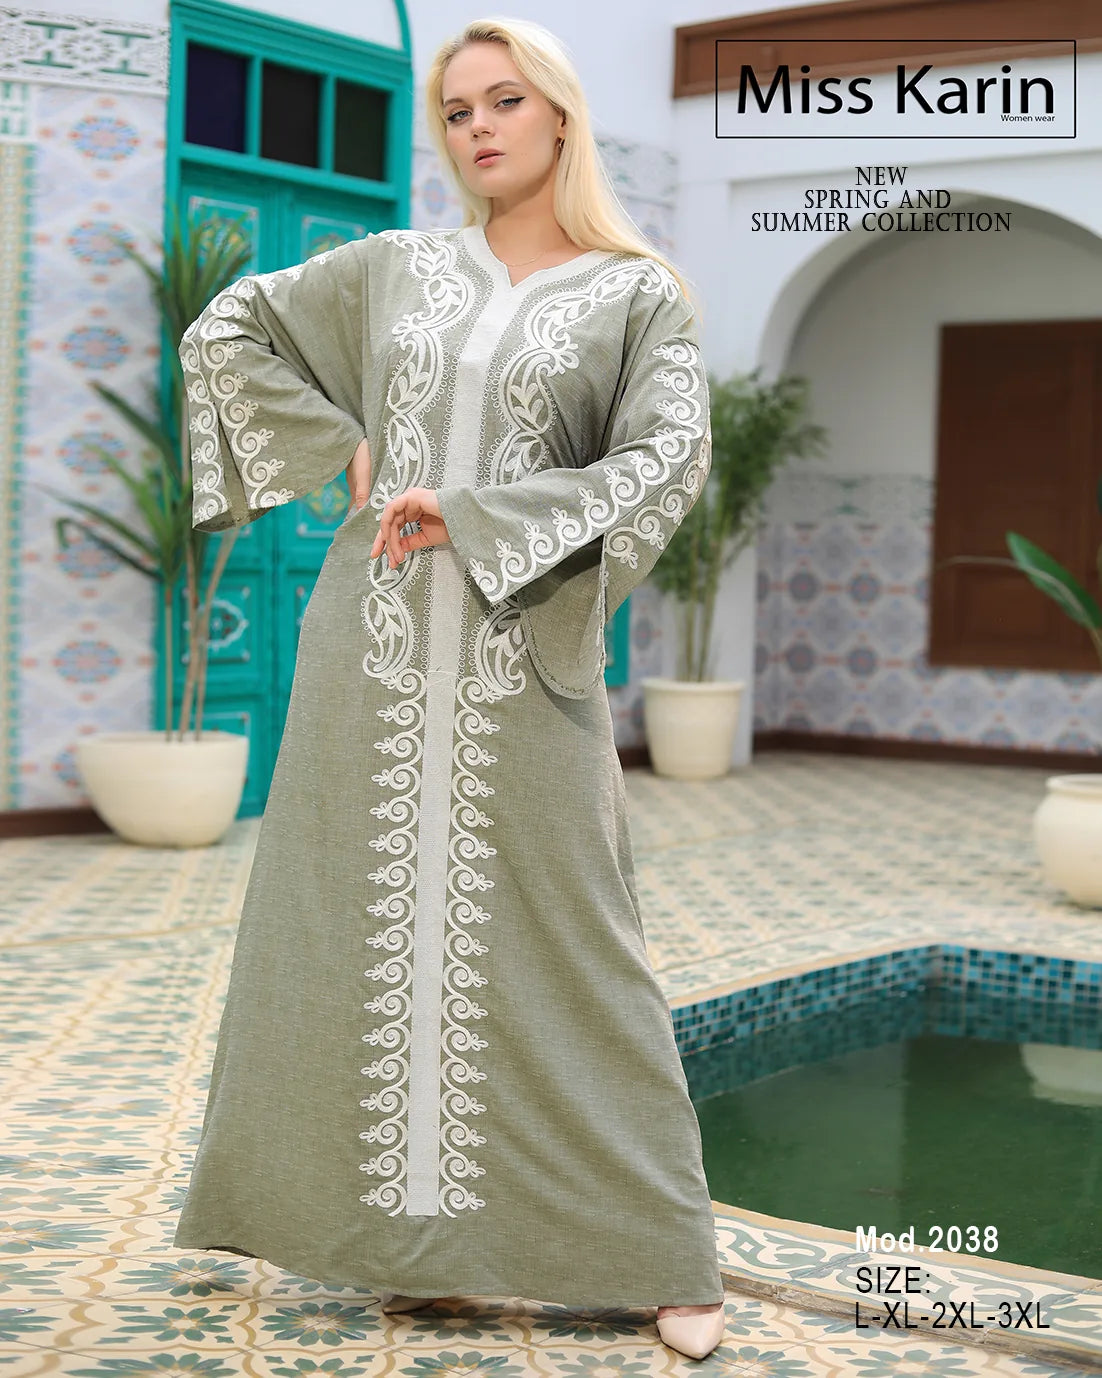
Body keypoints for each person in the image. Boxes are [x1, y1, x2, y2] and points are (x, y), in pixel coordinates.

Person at [173, 13, 726, 1364]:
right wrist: (341, 440)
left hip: (522, 659)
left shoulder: (635, 292)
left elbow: (664, 461)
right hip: (368, 653)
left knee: (582, 947)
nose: (478, 129)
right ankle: (405, 1243)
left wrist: (479, 512)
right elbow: (226, 326)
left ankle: (660, 1249)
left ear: (557, 116)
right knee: (347, 933)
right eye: (458, 109)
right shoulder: (398, 271)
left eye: (502, 102)